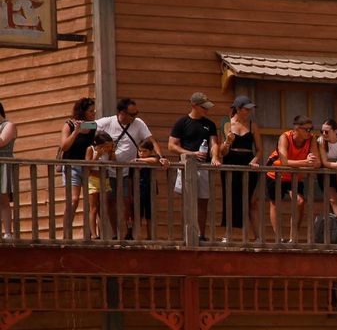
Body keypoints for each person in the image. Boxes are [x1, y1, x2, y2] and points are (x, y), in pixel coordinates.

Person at [98, 97, 166, 240]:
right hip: (108, 170)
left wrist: (161, 157)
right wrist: (76, 126)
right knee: (110, 201)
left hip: (128, 171)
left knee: (128, 201)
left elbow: (152, 141)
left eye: (136, 113)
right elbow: (89, 126)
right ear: (121, 113)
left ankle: (129, 231)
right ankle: (115, 233)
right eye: (132, 114)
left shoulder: (138, 123)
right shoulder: (108, 122)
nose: (135, 117)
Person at [169, 92, 221, 238]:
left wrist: (215, 157)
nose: (206, 110)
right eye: (204, 107)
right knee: (187, 201)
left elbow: (214, 143)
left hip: (203, 167)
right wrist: (192, 154)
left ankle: (201, 234)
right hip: (187, 166)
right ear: (194, 106)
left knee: (203, 202)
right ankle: (187, 233)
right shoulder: (182, 123)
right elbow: (172, 146)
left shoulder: (209, 124)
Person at [270, 114, 322, 244]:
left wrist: (313, 161)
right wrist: (305, 162)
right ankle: (279, 238)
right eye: (307, 129)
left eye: (311, 129)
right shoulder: (285, 137)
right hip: (276, 174)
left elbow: (317, 163)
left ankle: (294, 237)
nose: (309, 132)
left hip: (295, 176)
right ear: (297, 129)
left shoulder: (312, 139)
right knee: (275, 204)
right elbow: (284, 161)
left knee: (299, 202)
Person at [217, 96, 261, 241]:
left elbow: (259, 149)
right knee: (230, 198)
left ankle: (257, 237)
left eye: (250, 109)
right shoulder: (227, 124)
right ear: (238, 108)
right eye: (246, 109)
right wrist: (227, 141)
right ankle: (228, 234)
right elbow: (222, 152)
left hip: (248, 162)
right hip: (231, 162)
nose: (248, 111)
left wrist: (255, 160)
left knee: (251, 200)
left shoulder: (252, 124)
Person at [58, 96, 98, 239]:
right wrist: (76, 131)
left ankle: (90, 233)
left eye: (94, 111)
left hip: (87, 166)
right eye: (90, 111)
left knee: (91, 200)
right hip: (71, 166)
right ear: (83, 111)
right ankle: (66, 234)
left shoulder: (92, 126)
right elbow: (64, 146)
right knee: (73, 200)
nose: (93, 113)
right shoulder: (69, 124)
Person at [0, 100, 17, 240]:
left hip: (3, 164)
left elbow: (1, 141)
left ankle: (8, 233)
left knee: (3, 200)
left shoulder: (9, 125)